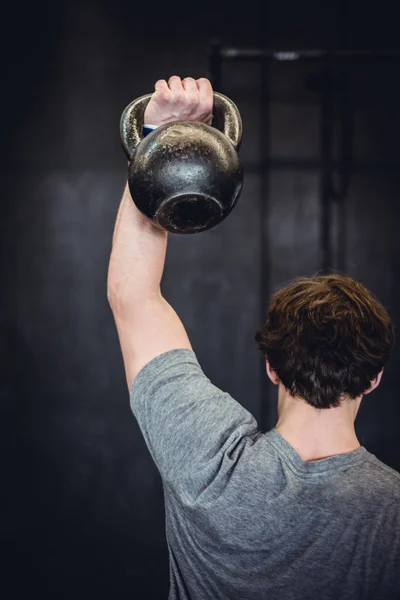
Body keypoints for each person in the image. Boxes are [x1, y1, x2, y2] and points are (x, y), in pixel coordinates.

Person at [108, 76, 400, 600]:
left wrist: (156, 141)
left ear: (272, 366)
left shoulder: (208, 462)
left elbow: (133, 297)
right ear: (375, 378)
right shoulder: (392, 514)